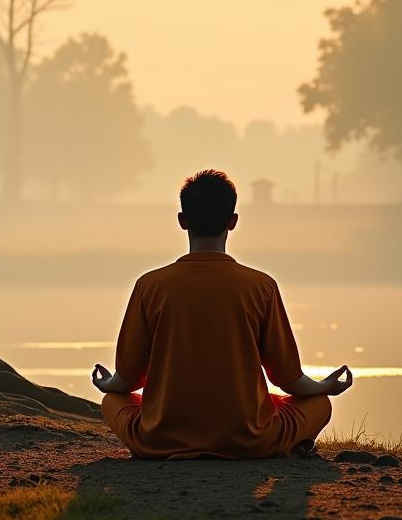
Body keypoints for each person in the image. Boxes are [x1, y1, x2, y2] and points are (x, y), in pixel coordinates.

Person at [91, 169, 353, 459]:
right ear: (233, 222)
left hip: (159, 440)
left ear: (182, 221)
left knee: (112, 401)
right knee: (320, 405)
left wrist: (107, 383)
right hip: (248, 440)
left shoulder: (149, 286)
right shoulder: (261, 286)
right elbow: (288, 379)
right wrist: (323, 387)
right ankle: (290, 446)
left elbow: (128, 381)